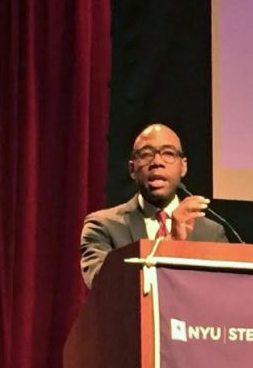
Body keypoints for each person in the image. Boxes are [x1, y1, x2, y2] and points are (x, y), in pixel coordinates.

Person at [80, 123, 227, 288]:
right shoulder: (103, 226)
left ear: (183, 167)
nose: (157, 162)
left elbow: (223, 292)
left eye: (168, 153)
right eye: (146, 154)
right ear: (132, 169)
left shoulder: (211, 233)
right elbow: (101, 285)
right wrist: (171, 244)